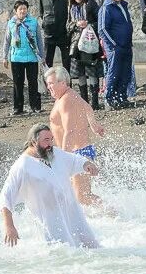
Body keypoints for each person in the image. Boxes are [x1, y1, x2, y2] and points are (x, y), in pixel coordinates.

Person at [0, 124, 101, 248]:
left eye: (51, 139)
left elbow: (75, 160)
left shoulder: (55, 154)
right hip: (51, 226)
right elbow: (5, 197)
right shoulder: (22, 166)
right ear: (33, 142)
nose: (50, 144)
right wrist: (9, 226)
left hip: (74, 217)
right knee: (65, 257)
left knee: (95, 250)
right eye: (46, 140)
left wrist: (87, 164)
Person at [46, 66, 108, 213]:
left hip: (77, 154)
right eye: (47, 84)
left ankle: (114, 213)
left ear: (63, 82)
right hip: (77, 152)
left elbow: (70, 131)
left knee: (83, 197)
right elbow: (87, 106)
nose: (49, 87)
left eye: (51, 83)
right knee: (77, 196)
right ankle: (96, 219)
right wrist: (93, 124)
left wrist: (61, 158)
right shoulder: (68, 95)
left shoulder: (66, 99)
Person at [3, 0, 45, 115]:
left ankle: (35, 106)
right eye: (20, 9)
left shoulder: (33, 22)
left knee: (33, 82)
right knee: (18, 84)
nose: (23, 11)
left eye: (25, 8)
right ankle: (18, 108)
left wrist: (42, 56)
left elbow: (39, 41)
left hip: (32, 57)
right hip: (16, 58)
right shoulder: (11, 23)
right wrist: (5, 57)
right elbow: (7, 41)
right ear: (15, 11)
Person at [66, 0, 103, 110]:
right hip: (76, 44)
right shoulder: (71, 7)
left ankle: (95, 103)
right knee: (80, 73)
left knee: (92, 72)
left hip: (90, 42)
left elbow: (99, 21)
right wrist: (76, 24)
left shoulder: (90, 4)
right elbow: (68, 25)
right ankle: (84, 102)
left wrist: (88, 24)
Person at [98, 0, 134, 110]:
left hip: (126, 45)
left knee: (125, 73)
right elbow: (102, 29)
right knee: (114, 73)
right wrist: (113, 45)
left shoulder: (123, 5)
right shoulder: (106, 8)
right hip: (115, 48)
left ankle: (121, 98)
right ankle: (110, 99)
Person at [40, 0, 72, 72]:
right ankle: (48, 85)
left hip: (64, 33)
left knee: (66, 63)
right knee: (47, 63)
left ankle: (66, 84)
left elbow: (72, 11)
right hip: (49, 34)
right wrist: (45, 25)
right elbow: (42, 13)